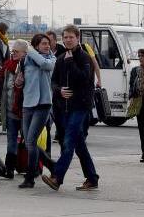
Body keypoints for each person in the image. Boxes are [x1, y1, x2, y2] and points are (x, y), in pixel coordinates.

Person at [42, 25, 98, 192]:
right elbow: (53, 82)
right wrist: (59, 91)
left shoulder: (84, 58)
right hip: (63, 108)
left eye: (70, 37)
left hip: (80, 106)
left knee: (68, 143)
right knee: (79, 145)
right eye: (65, 37)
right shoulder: (60, 59)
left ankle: (57, 177)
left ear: (77, 38)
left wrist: (71, 62)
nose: (67, 40)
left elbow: (84, 79)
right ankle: (92, 178)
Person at [18, 34, 56, 188]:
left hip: (43, 104)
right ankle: (52, 165)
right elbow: (22, 80)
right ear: (37, 45)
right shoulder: (25, 60)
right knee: (28, 142)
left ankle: (30, 177)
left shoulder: (51, 59)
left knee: (31, 141)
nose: (47, 46)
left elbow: (45, 65)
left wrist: (31, 50)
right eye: (43, 44)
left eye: (48, 43)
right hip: (28, 104)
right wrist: (19, 82)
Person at [0, 40, 26, 179]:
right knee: (11, 140)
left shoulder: (28, 67)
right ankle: (9, 169)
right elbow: (4, 89)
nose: (13, 54)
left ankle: (34, 167)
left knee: (29, 141)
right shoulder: (8, 66)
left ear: (24, 53)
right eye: (12, 51)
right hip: (10, 110)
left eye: (16, 51)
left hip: (25, 111)